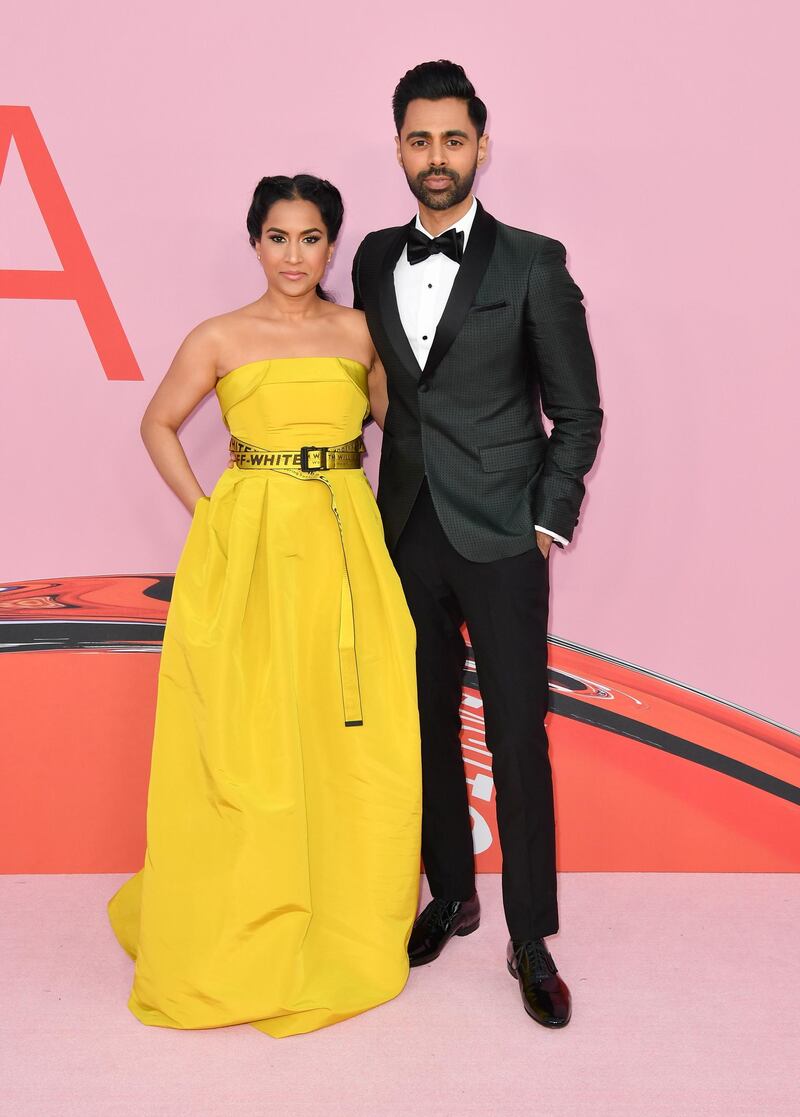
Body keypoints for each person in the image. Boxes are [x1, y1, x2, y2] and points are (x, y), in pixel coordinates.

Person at [108, 174, 422, 1038]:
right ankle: (246, 912)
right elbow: (157, 424)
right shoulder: (219, 335)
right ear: (256, 242)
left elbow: (403, 432)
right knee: (250, 731)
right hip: (252, 542)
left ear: (332, 245)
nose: (294, 255)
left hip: (343, 540)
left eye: (311, 238)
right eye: (278, 237)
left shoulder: (360, 332)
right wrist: (208, 512)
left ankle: (346, 908)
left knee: (341, 725)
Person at [352, 61, 603, 1028]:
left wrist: (548, 518)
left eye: (453, 139)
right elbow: (374, 383)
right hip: (406, 530)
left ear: (482, 147)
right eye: (419, 140)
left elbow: (578, 412)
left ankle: (529, 934)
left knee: (515, 736)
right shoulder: (374, 256)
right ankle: (450, 895)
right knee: (420, 726)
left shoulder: (534, 260)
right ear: (401, 150)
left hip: (503, 535)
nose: (436, 158)